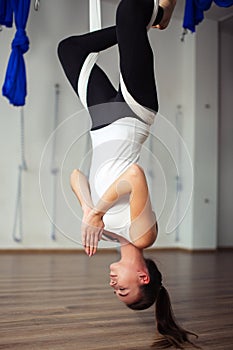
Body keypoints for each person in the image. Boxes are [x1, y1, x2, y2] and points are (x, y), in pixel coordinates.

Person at [58, 0, 198, 347]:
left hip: (101, 119)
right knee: (128, 9)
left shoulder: (105, 235)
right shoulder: (143, 236)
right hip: (136, 113)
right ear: (143, 276)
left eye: (116, 290)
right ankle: (155, 17)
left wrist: (89, 212)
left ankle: (135, 29)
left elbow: (76, 175)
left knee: (70, 48)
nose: (113, 285)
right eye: (123, 288)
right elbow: (134, 174)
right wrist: (98, 213)